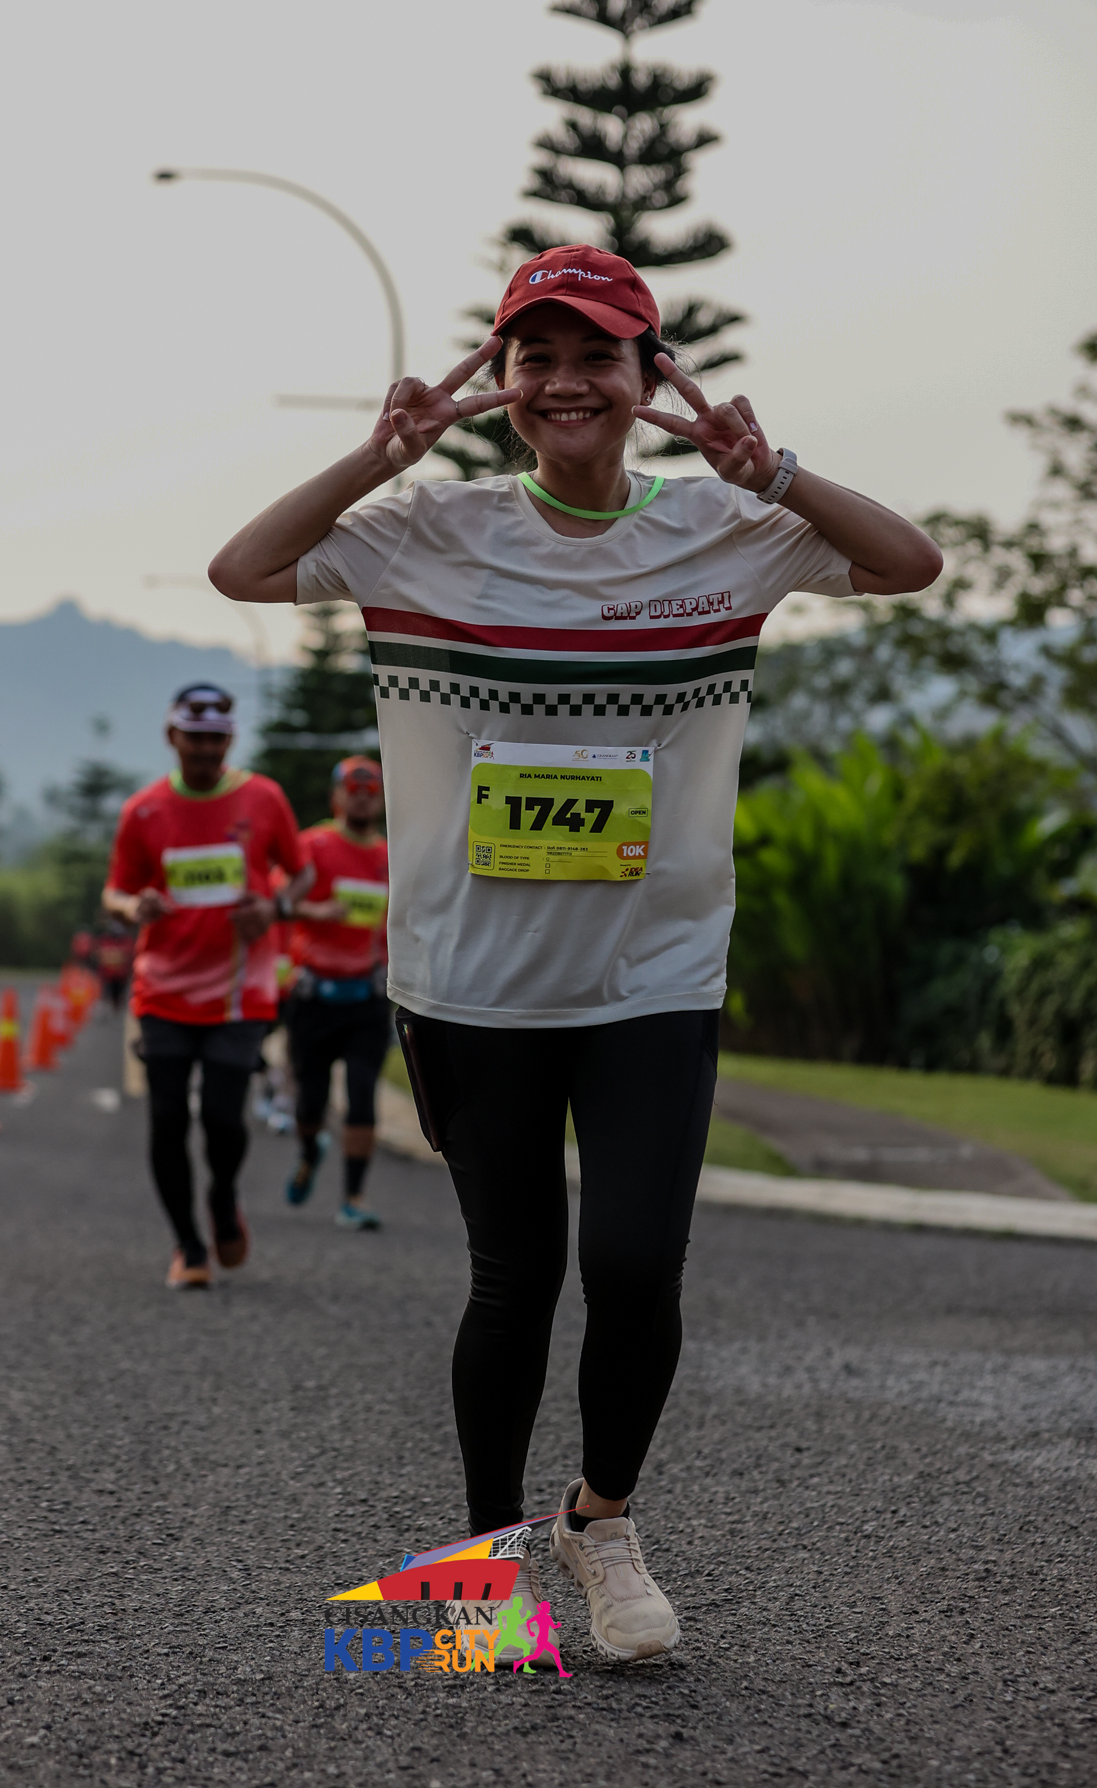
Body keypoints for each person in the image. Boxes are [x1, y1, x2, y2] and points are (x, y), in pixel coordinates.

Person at [207, 244, 942, 1659]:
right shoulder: (425, 529)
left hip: (650, 976)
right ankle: (482, 1579)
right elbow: (243, 569)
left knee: (637, 1264)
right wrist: (378, 458)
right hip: (468, 981)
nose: (563, 382)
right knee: (515, 1277)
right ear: (499, 379)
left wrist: (774, 473)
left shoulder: (726, 527)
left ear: (649, 374)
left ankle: (599, 1526)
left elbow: (909, 563)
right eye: (532, 357)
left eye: (596, 354)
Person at [102, 682, 313, 1289]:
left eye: (217, 739)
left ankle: (222, 1196)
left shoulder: (263, 798)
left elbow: (301, 874)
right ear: (172, 736)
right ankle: (189, 1246)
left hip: (239, 991)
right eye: (195, 738)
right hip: (163, 989)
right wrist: (132, 907)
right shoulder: (144, 810)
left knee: (223, 1119)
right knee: (167, 1118)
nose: (205, 750)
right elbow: (114, 891)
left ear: (231, 740)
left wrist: (274, 909)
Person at [284, 756, 391, 1230]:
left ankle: (353, 1198)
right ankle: (310, 1148)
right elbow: (279, 903)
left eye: (372, 791)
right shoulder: (313, 846)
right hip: (314, 996)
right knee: (310, 1102)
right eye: (354, 790)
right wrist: (318, 911)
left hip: (367, 995)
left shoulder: (391, 856)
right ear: (336, 797)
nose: (363, 798)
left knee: (363, 1094)